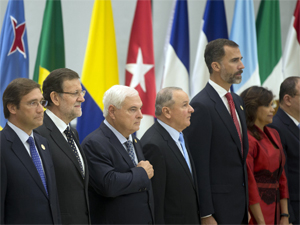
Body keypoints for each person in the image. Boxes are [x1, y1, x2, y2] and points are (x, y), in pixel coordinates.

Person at [184, 38, 249, 225]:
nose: (242, 65)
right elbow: (199, 164)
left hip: (240, 208)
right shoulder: (201, 105)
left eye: (241, 59)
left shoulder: (237, 101)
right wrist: (206, 214)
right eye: (234, 60)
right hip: (218, 212)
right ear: (216, 66)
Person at [82, 85, 154, 224]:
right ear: (112, 111)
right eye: (133, 109)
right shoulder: (94, 143)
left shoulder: (134, 140)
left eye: (140, 108)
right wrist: (141, 173)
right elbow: (109, 184)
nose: (140, 115)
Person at [0, 78, 61, 224]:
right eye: (32, 103)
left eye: (42, 102)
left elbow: (51, 199)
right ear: (12, 108)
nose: (41, 109)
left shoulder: (42, 143)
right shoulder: (2, 147)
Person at [35, 68, 90, 224]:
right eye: (75, 93)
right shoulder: (38, 134)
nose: (82, 99)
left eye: (82, 93)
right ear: (55, 98)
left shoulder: (72, 132)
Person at [141, 87, 200, 224]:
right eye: (185, 105)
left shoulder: (179, 135)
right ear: (167, 112)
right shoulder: (153, 145)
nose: (191, 109)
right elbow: (156, 201)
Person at [240, 86, 289, 225]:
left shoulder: (274, 134)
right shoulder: (247, 139)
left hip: (277, 208)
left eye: (272, 104)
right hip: (256, 211)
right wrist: (261, 222)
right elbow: (249, 183)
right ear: (253, 108)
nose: (273, 109)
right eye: (267, 105)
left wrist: (285, 214)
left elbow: (282, 177)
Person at [268, 76, 300, 224]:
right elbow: (282, 176)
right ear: (288, 99)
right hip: (295, 208)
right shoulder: (276, 127)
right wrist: (287, 216)